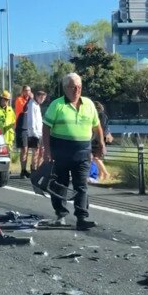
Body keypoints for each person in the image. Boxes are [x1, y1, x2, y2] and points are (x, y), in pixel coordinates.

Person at [40, 73, 105, 231]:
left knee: (81, 185)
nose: (76, 90)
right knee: (60, 184)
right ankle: (60, 214)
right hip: (60, 151)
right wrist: (47, 151)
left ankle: (82, 217)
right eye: (72, 87)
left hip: (82, 152)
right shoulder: (57, 105)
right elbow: (46, 128)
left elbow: (97, 126)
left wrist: (101, 143)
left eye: (79, 87)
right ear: (65, 88)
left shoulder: (89, 104)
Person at [14, 85, 34, 178]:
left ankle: (31, 169)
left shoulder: (31, 101)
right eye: (26, 90)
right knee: (24, 149)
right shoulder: (19, 100)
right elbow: (24, 109)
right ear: (22, 91)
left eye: (29, 90)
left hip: (29, 127)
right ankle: (23, 170)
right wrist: (30, 99)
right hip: (21, 126)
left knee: (31, 149)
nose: (28, 92)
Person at [26, 90, 46, 174]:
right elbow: (31, 119)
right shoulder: (32, 104)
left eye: (43, 98)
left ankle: (39, 168)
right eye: (41, 97)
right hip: (34, 133)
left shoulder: (37, 105)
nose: (42, 100)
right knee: (36, 151)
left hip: (40, 132)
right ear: (37, 96)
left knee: (42, 151)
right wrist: (34, 132)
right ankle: (34, 169)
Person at [91, 101, 112, 181]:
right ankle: (101, 174)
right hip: (97, 138)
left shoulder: (101, 115)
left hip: (98, 139)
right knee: (97, 158)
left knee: (96, 158)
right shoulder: (102, 115)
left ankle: (106, 173)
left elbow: (101, 128)